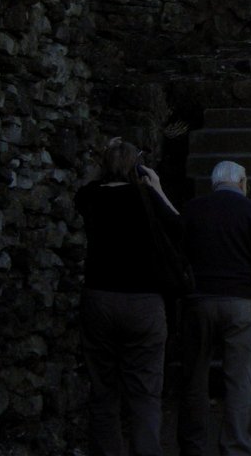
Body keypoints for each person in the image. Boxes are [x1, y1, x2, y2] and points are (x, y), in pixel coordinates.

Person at [74, 138, 181, 456]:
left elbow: (82, 192)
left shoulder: (92, 196)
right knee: (145, 395)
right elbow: (178, 227)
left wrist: (101, 163)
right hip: (144, 303)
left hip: (100, 299)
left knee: (103, 392)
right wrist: (158, 186)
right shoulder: (145, 196)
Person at [178, 161, 251, 456]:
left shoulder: (194, 209)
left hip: (199, 300)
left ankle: (193, 445)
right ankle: (235, 445)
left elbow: (181, 255)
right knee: (240, 379)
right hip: (240, 300)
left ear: (214, 183)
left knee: (194, 377)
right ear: (242, 181)